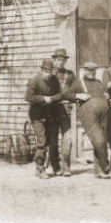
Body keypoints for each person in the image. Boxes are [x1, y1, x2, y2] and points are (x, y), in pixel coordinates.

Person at [62, 60, 111, 179]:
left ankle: (98, 171)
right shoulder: (79, 82)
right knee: (98, 140)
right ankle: (105, 165)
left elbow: (104, 94)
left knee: (102, 141)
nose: (91, 72)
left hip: (104, 113)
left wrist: (106, 96)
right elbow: (66, 94)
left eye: (93, 70)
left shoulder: (98, 82)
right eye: (89, 70)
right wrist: (77, 96)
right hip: (88, 114)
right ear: (84, 70)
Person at [24, 58, 64, 179]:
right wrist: (43, 99)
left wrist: (52, 98)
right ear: (41, 70)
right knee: (40, 142)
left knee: (49, 142)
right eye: (46, 71)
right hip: (37, 116)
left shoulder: (54, 80)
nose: (48, 74)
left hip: (50, 116)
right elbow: (28, 97)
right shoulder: (34, 80)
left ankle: (49, 167)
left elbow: (61, 94)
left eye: (50, 71)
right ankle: (40, 169)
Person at [50, 48, 73, 177]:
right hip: (51, 110)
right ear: (54, 60)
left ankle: (66, 167)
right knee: (52, 140)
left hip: (65, 110)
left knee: (67, 139)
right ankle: (55, 167)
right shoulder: (49, 73)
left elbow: (74, 89)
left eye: (63, 60)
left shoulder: (69, 74)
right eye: (59, 60)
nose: (61, 62)